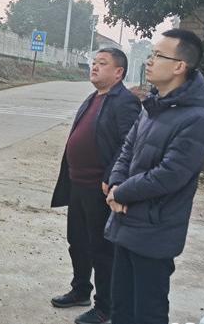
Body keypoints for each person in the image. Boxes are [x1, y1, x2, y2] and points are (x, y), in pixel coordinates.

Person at [105, 29, 204, 324]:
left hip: (155, 231)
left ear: (179, 66)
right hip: (126, 221)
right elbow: (127, 148)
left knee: (148, 313)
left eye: (158, 55)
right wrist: (116, 183)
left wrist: (121, 192)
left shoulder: (196, 118)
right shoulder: (153, 106)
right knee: (121, 308)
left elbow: (170, 174)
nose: (149, 61)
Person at [51, 48, 141, 324]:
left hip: (99, 188)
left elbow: (129, 144)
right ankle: (80, 290)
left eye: (103, 63)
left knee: (102, 249)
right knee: (77, 242)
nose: (95, 67)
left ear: (119, 72)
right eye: (94, 62)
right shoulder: (94, 98)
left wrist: (111, 176)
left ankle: (105, 306)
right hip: (78, 185)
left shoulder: (124, 102)